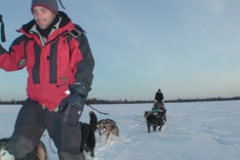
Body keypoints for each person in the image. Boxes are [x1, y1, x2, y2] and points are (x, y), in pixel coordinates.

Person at [0, 0, 94, 160]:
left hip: (63, 104)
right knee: (18, 146)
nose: (39, 16)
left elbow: (85, 65)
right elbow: (10, 62)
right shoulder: (27, 39)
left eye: (43, 10)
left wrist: (79, 93)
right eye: (35, 11)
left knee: (69, 154)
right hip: (34, 104)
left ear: (53, 11)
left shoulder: (73, 36)